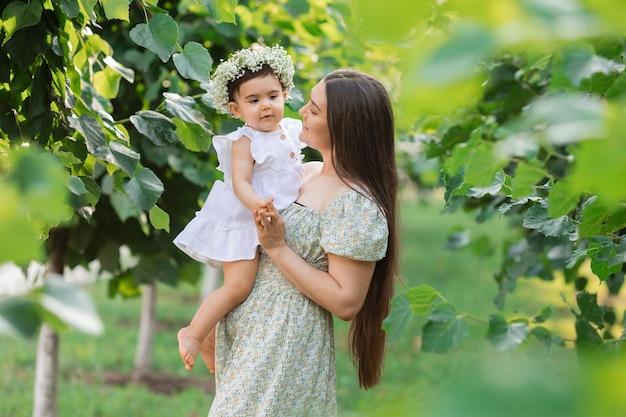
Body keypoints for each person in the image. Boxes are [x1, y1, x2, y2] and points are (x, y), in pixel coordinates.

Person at [200, 68, 399, 416]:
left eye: (315, 109)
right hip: (251, 335)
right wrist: (209, 322)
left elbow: (347, 302)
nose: (301, 111)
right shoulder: (300, 174)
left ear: (345, 127)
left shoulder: (355, 202)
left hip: (287, 343)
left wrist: (278, 249)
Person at [173, 44, 305, 372]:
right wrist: (256, 204)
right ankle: (196, 332)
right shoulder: (244, 141)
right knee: (238, 286)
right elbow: (240, 182)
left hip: (271, 217)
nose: (265, 107)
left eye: (272, 96)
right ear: (235, 109)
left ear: (285, 94)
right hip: (245, 219)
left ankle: (211, 334)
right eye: (254, 100)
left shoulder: (291, 129)